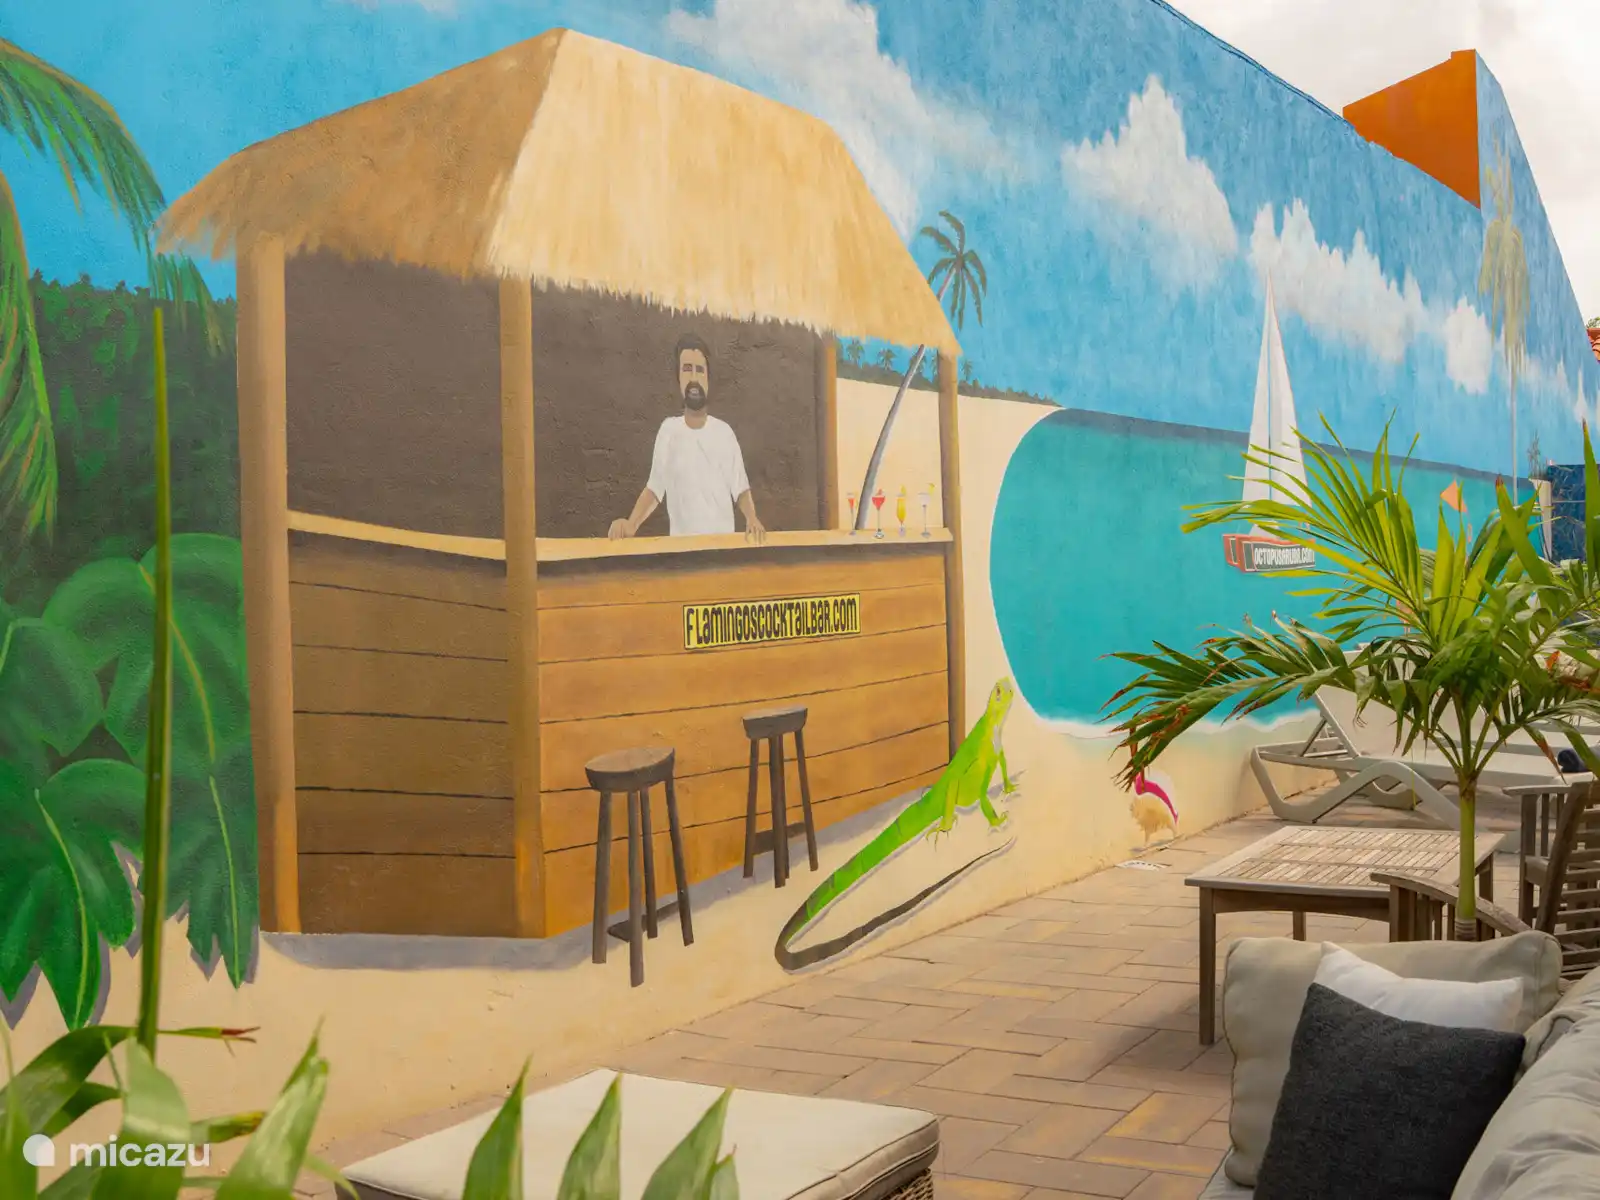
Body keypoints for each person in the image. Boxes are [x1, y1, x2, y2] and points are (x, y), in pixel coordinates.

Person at [608, 335, 766, 542]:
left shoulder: (724, 433)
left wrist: (752, 518)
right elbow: (655, 488)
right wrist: (631, 524)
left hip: (723, 550)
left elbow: (741, 489)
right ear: (678, 377)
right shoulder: (668, 431)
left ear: (708, 378)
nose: (693, 377)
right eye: (687, 369)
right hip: (682, 552)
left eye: (699, 370)